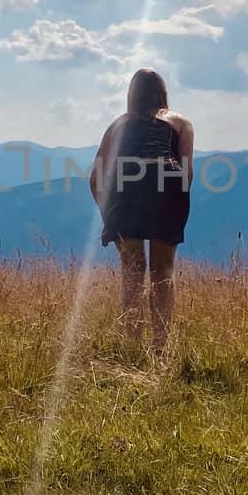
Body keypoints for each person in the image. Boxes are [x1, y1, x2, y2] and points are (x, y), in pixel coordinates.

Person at [89, 68, 194, 349]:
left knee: (133, 270)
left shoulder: (117, 125)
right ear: (163, 93)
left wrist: (108, 213)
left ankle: (132, 344)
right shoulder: (181, 123)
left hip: (127, 188)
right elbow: (187, 173)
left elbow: (96, 177)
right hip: (168, 185)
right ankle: (161, 347)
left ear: (131, 94)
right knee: (163, 271)